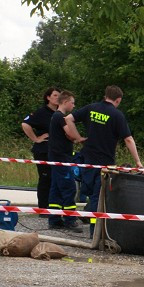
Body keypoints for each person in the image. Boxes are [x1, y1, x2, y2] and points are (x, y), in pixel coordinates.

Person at [65, 85, 143, 236]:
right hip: (104, 163)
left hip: (87, 160)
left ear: (105, 95)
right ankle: (96, 232)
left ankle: (93, 227)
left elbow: (68, 119)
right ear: (118, 100)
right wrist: (138, 162)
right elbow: (128, 139)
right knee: (98, 196)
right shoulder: (116, 115)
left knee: (89, 194)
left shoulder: (91, 108)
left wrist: (78, 138)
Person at [47, 90, 85, 232]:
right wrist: (78, 138)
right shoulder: (60, 117)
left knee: (56, 188)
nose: (74, 106)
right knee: (69, 187)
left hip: (58, 156)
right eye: (72, 103)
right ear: (65, 102)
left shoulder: (56, 117)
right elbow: (70, 134)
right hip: (61, 157)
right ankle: (70, 219)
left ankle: (55, 219)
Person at [21, 87, 60, 210]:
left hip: (57, 151)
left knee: (56, 178)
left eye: (59, 95)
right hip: (43, 150)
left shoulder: (60, 113)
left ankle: (54, 206)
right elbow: (25, 124)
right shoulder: (41, 112)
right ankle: (43, 207)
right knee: (45, 178)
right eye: (55, 95)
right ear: (48, 97)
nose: (57, 98)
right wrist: (35, 138)